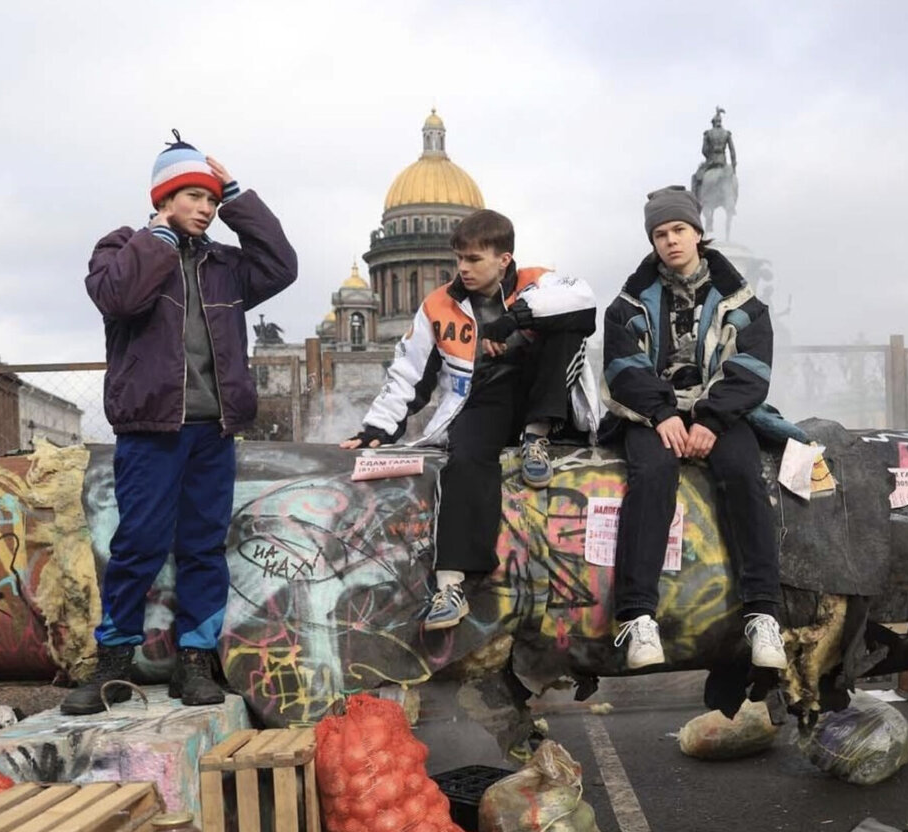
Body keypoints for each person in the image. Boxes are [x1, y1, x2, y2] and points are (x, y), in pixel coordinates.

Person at [62, 131, 297, 715]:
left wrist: (240, 197)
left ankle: (195, 661)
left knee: (202, 548)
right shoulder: (122, 247)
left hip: (212, 429)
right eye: (195, 196)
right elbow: (117, 299)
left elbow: (282, 265)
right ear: (165, 197)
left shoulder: (226, 265)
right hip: (151, 428)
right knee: (137, 545)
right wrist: (160, 238)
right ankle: (111, 664)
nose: (206, 209)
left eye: (213, 201)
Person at [340, 209, 599, 630]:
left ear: (504, 259)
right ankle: (451, 586)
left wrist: (511, 325)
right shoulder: (438, 305)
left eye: (474, 259)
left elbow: (583, 304)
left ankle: (536, 437)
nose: (463, 268)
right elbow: (408, 372)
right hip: (484, 396)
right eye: (459, 258)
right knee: (464, 461)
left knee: (564, 329)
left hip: (546, 400)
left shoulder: (540, 280)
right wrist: (375, 430)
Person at [601, 185, 797, 672]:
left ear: (698, 233)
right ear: (652, 241)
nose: (670, 241)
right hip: (653, 413)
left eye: (679, 230)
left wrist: (710, 418)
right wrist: (663, 414)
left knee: (744, 475)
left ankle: (762, 613)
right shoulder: (627, 305)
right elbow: (623, 367)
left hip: (719, 411)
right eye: (661, 233)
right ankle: (637, 615)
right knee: (651, 475)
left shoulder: (741, 301)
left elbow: (752, 367)